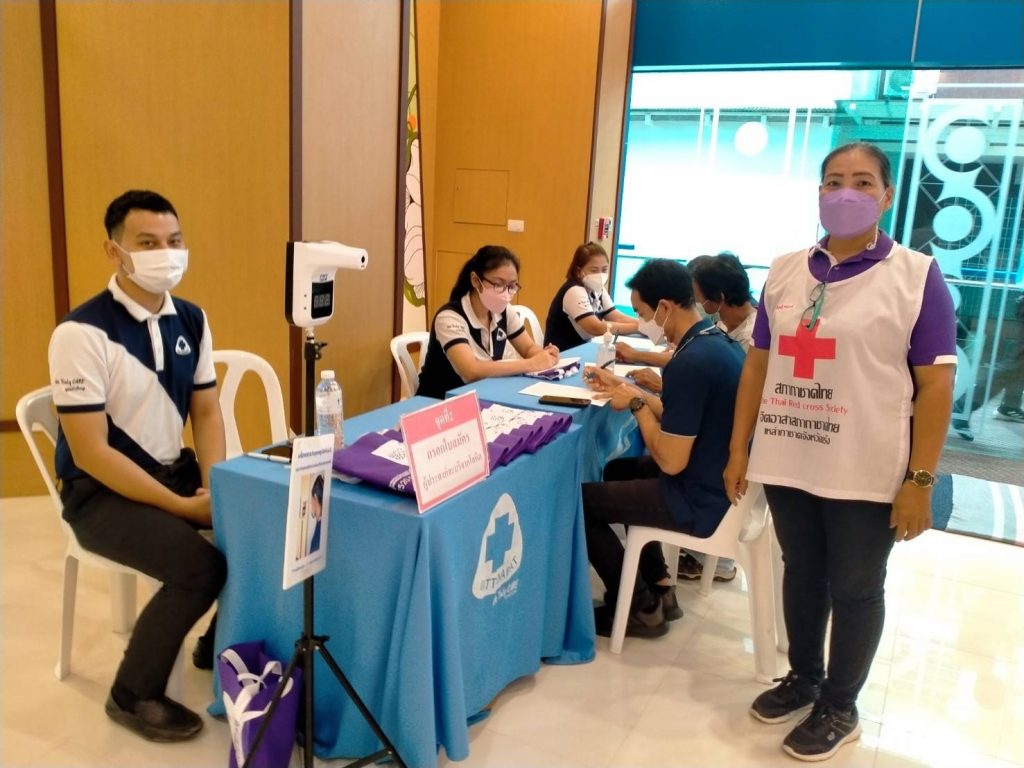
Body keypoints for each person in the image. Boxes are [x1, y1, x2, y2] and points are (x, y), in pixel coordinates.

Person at [723, 141, 956, 762]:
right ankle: (804, 678)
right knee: (802, 572)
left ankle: (841, 705)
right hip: (790, 454)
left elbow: (936, 386)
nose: (845, 192)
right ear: (819, 193)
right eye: (833, 181)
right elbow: (759, 365)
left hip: (865, 465)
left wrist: (920, 480)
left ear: (887, 195)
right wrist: (739, 450)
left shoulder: (915, 276)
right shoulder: (785, 270)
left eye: (862, 181)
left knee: (855, 586)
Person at [49, 190, 227, 742]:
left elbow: (206, 411)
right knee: (199, 568)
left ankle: (213, 645)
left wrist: (214, 487)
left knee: (266, 529)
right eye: (147, 243)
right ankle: (131, 694)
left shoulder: (192, 320)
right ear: (115, 251)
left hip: (172, 473)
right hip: (99, 493)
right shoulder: (80, 334)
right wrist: (182, 508)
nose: (164, 254)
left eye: (174, 241)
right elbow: (90, 452)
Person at [581, 259, 744, 639]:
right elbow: (681, 418)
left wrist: (637, 405)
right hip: (713, 475)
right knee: (618, 472)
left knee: (579, 503)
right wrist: (629, 390)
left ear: (665, 307)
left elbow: (670, 460)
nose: (641, 323)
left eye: (641, 313)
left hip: (698, 495)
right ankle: (660, 586)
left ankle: (641, 607)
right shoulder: (716, 343)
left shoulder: (691, 362)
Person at [676, 252, 758, 583]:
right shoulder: (726, 326)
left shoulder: (755, 340)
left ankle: (714, 555)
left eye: (698, 297)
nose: (696, 305)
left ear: (718, 298)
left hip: (729, 452)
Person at [417, 245, 560, 398]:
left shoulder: (504, 311)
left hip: (483, 394)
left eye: (512, 286)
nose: (506, 293)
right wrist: (531, 364)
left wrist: (545, 356)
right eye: (498, 284)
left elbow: (528, 348)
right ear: (475, 281)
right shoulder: (449, 317)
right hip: (441, 402)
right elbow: (471, 370)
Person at [543, 242, 639, 350]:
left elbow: (616, 316)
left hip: (583, 348)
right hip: (563, 353)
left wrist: (644, 324)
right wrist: (638, 327)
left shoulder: (598, 289)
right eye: (594, 270)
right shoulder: (573, 291)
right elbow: (595, 327)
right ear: (579, 271)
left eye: (604, 270)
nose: (600, 275)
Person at [308, 474, 324, 554]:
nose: (310, 503)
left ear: (315, 497)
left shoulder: (319, 529)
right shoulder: (320, 524)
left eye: (311, 499)